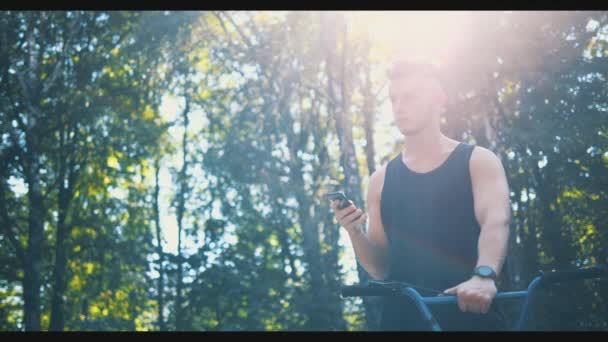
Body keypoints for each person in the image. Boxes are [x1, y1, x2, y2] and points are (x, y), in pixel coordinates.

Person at [329, 59, 511, 331]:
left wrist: (483, 276)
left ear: (439, 100)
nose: (399, 106)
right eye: (393, 99)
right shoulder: (380, 180)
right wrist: (354, 231)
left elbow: (496, 222)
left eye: (410, 96)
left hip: (471, 317)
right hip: (401, 322)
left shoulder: (478, 161)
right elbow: (381, 268)